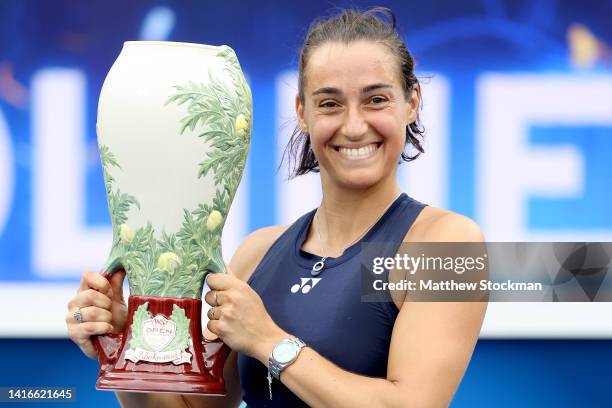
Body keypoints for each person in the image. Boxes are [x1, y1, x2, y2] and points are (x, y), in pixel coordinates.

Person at [67, 7, 486, 407]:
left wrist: (269, 342)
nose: (354, 125)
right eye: (329, 103)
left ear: (412, 102)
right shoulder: (257, 253)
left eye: (376, 100)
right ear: (302, 112)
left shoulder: (449, 244)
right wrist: (124, 343)